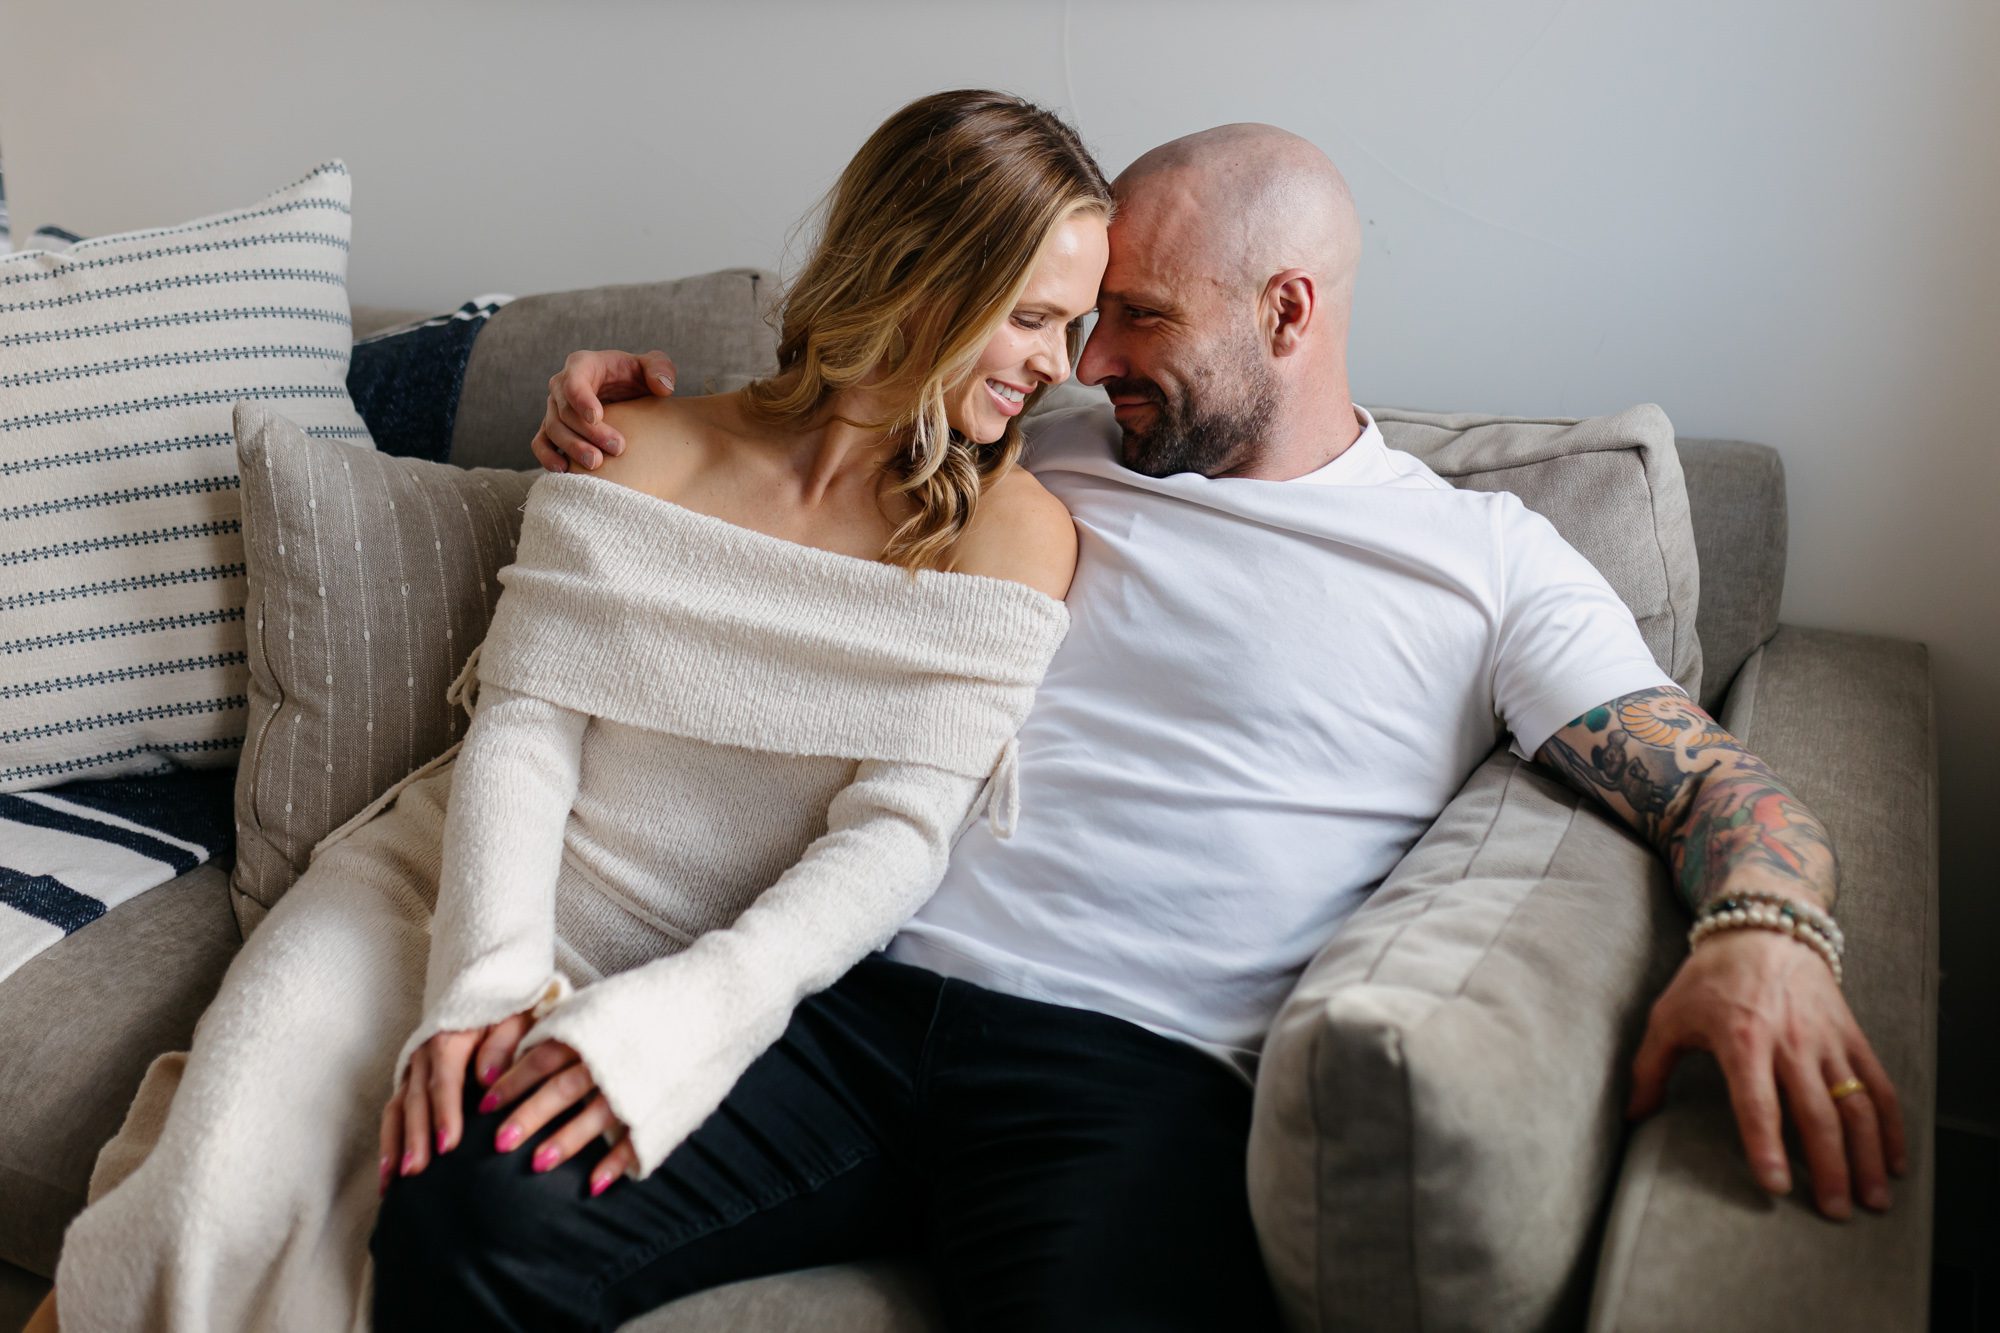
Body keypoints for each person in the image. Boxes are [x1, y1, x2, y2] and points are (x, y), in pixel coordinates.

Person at [518, 123, 1909, 1329]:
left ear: (1290, 312)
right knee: (482, 1216)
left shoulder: (1487, 561)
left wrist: (1765, 934)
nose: (1086, 358)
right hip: (849, 995)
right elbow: (798, 433)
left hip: (1133, 1073)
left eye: (1141, 319)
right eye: (1083, 318)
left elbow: (1708, 781)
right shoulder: (1037, 443)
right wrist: (617, 391)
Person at [37, 89, 1107, 1333]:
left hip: (675, 960)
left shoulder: (1009, 533)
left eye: (1076, 327)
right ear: (916, 275)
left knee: (378, 1245)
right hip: (445, 886)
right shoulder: (638, 445)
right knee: (213, 1184)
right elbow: (522, 734)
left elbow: (896, 836)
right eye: (1031, 317)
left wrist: (686, 1019)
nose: (1057, 365)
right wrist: (483, 986)